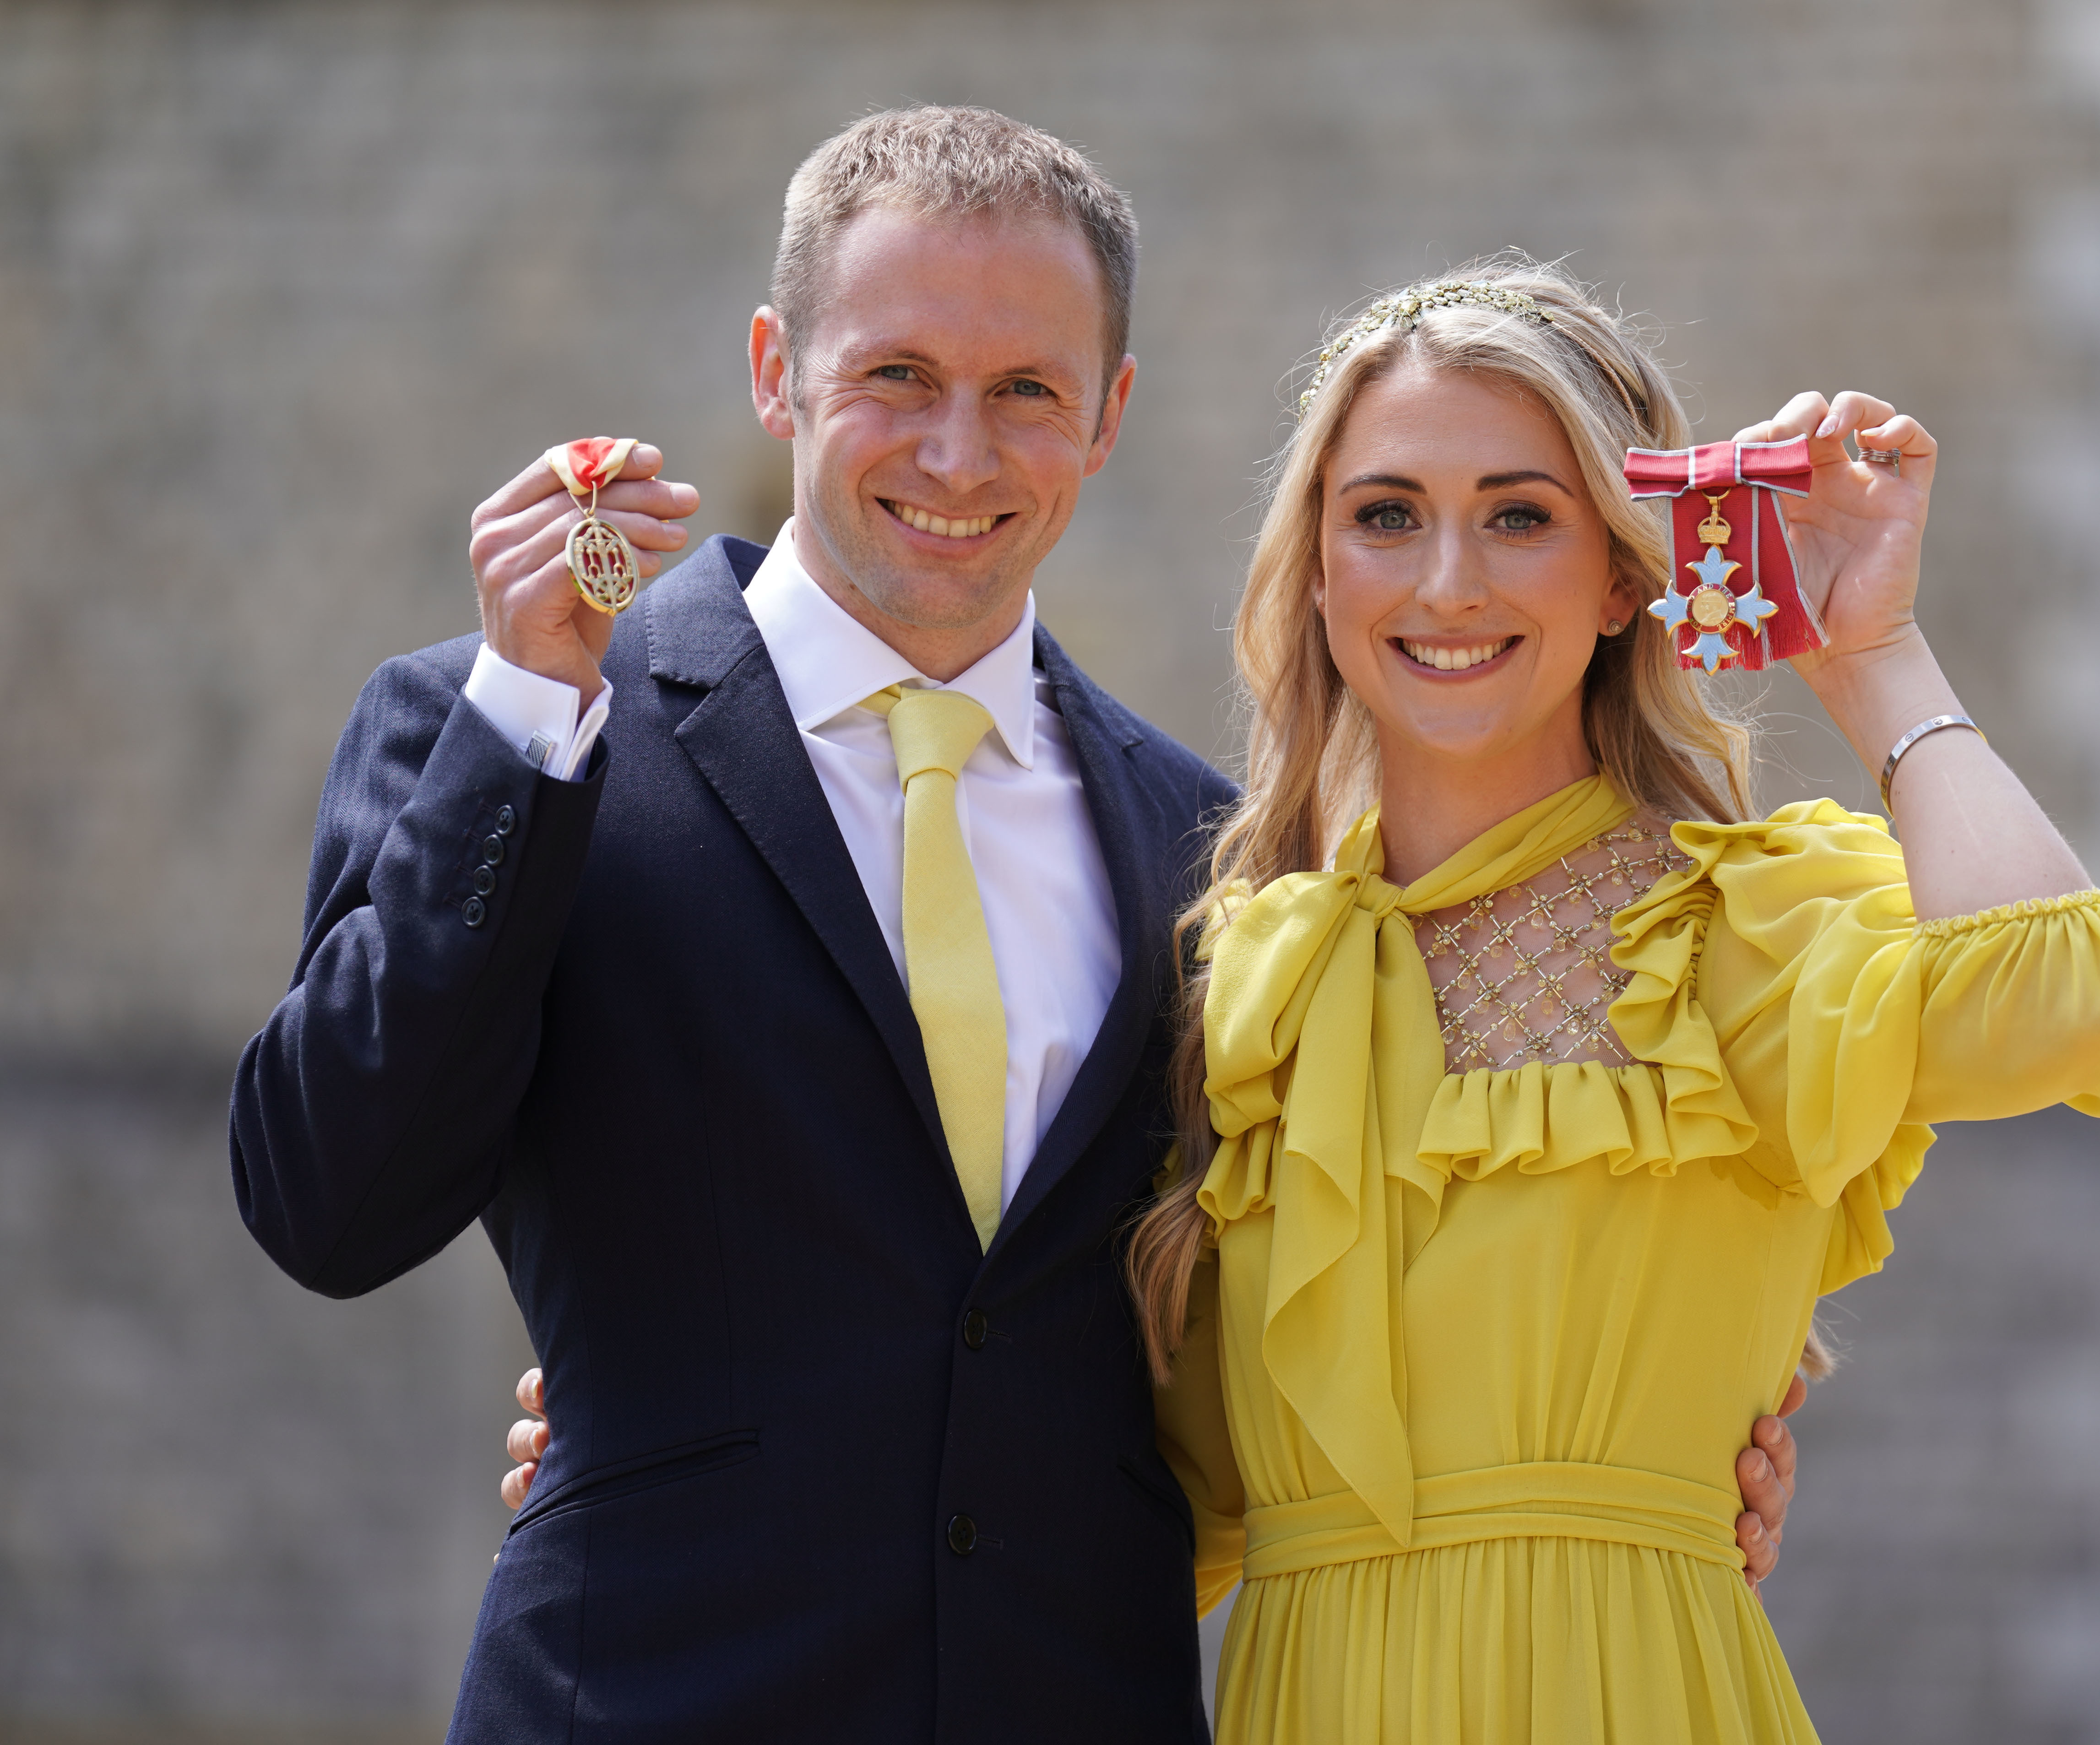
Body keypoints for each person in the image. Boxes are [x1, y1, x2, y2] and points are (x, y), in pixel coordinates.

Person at [230, 108, 1805, 1743]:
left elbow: (1340, 1291)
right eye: (897, 376)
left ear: (1110, 413)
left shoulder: (1220, 858)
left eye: (1026, 393)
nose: (959, 456)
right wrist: (523, 722)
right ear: (777, 369)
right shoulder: (510, 729)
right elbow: (329, 1204)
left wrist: (1699, 1443)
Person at [1116, 263, 2100, 1741]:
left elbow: (2085, 1002)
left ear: (1627, 571)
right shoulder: (1239, 984)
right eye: (1386, 515)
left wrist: (1871, 654)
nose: (1449, 578)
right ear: (1318, 572)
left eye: (1521, 514)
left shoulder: (1740, 928)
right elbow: (1142, 1513)